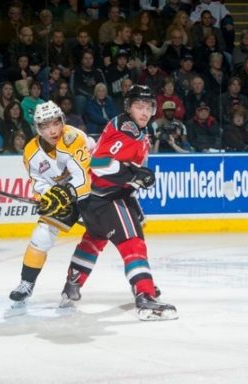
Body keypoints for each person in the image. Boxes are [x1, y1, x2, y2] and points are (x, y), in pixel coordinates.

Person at [60, 85, 178, 321]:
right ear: (129, 108)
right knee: (133, 242)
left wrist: (135, 204)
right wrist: (135, 173)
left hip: (95, 200)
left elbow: (122, 173)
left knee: (94, 240)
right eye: (139, 107)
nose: (144, 112)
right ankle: (144, 296)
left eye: (148, 108)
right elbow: (99, 163)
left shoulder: (137, 130)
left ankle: (71, 285)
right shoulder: (128, 130)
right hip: (107, 199)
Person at [8, 100, 93, 303]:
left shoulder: (74, 138)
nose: (53, 131)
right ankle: (26, 283)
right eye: (45, 126)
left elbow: (83, 179)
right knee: (42, 234)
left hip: (93, 189)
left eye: (55, 123)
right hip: (66, 194)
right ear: (38, 128)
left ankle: (141, 282)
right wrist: (47, 198)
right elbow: (39, 184)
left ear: (62, 121)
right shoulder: (31, 152)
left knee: (113, 230)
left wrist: (64, 194)